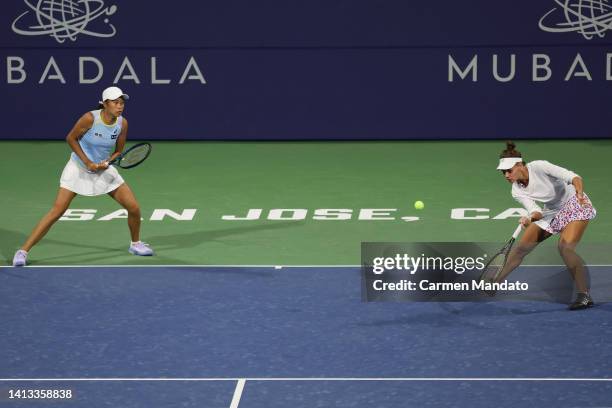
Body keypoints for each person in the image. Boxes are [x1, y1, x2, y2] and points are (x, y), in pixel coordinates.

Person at [12, 86, 154, 266]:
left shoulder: (122, 123)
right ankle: (23, 251)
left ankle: (135, 244)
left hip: (103, 169)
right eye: (116, 103)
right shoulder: (90, 118)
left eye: (122, 103)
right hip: (78, 168)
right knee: (57, 211)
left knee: (133, 207)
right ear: (105, 104)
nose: (120, 106)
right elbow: (71, 138)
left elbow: (118, 151)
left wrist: (108, 162)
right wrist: (87, 162)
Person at [491, 141, 596, 310]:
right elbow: (536, 211)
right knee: (521, 249)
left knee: (565, 248)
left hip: (575, 204)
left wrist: (579, 193)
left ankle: (584, 295)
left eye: (509, 171)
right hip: (552, 211)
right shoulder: (516, 190)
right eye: (503, 172)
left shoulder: (539, 166)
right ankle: (494, 282)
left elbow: (574, 177)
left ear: (519, 165)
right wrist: (530, 218)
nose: (506, 175)